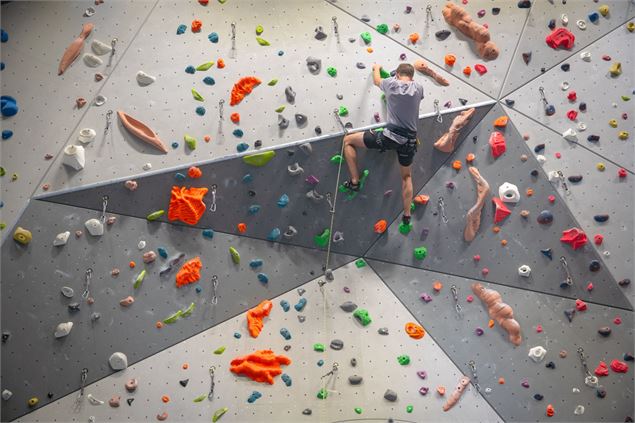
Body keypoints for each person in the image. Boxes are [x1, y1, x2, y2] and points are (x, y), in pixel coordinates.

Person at [341, 63, 424, 226]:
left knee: (348, 140)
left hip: (390, 138)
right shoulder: (419, 88)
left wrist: (376, 67)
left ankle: (355, 181)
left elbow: (377, 80)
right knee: (406, 176)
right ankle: (407, 215)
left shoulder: (391, 84)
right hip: (409, 141)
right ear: (412, 77)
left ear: (397, 75)